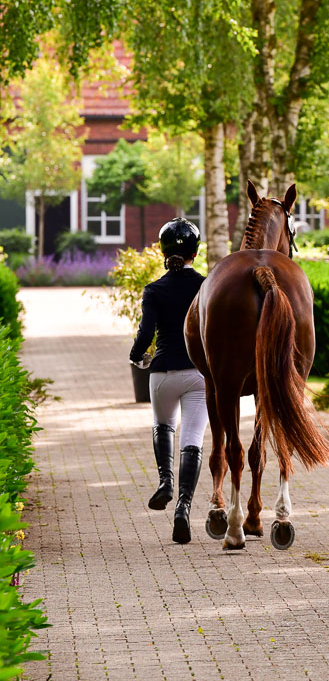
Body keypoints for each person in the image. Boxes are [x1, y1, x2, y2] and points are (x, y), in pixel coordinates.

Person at [129, 218, 207, 544]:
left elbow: (146, 333)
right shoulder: (207, 285)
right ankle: (184, 507)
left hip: (162, 374)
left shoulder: (154, 290)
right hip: (198, 374)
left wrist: (136, 355)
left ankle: (166, 481)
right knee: (193, 439)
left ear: (162, 250)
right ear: (195, 250)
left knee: (163, 425)